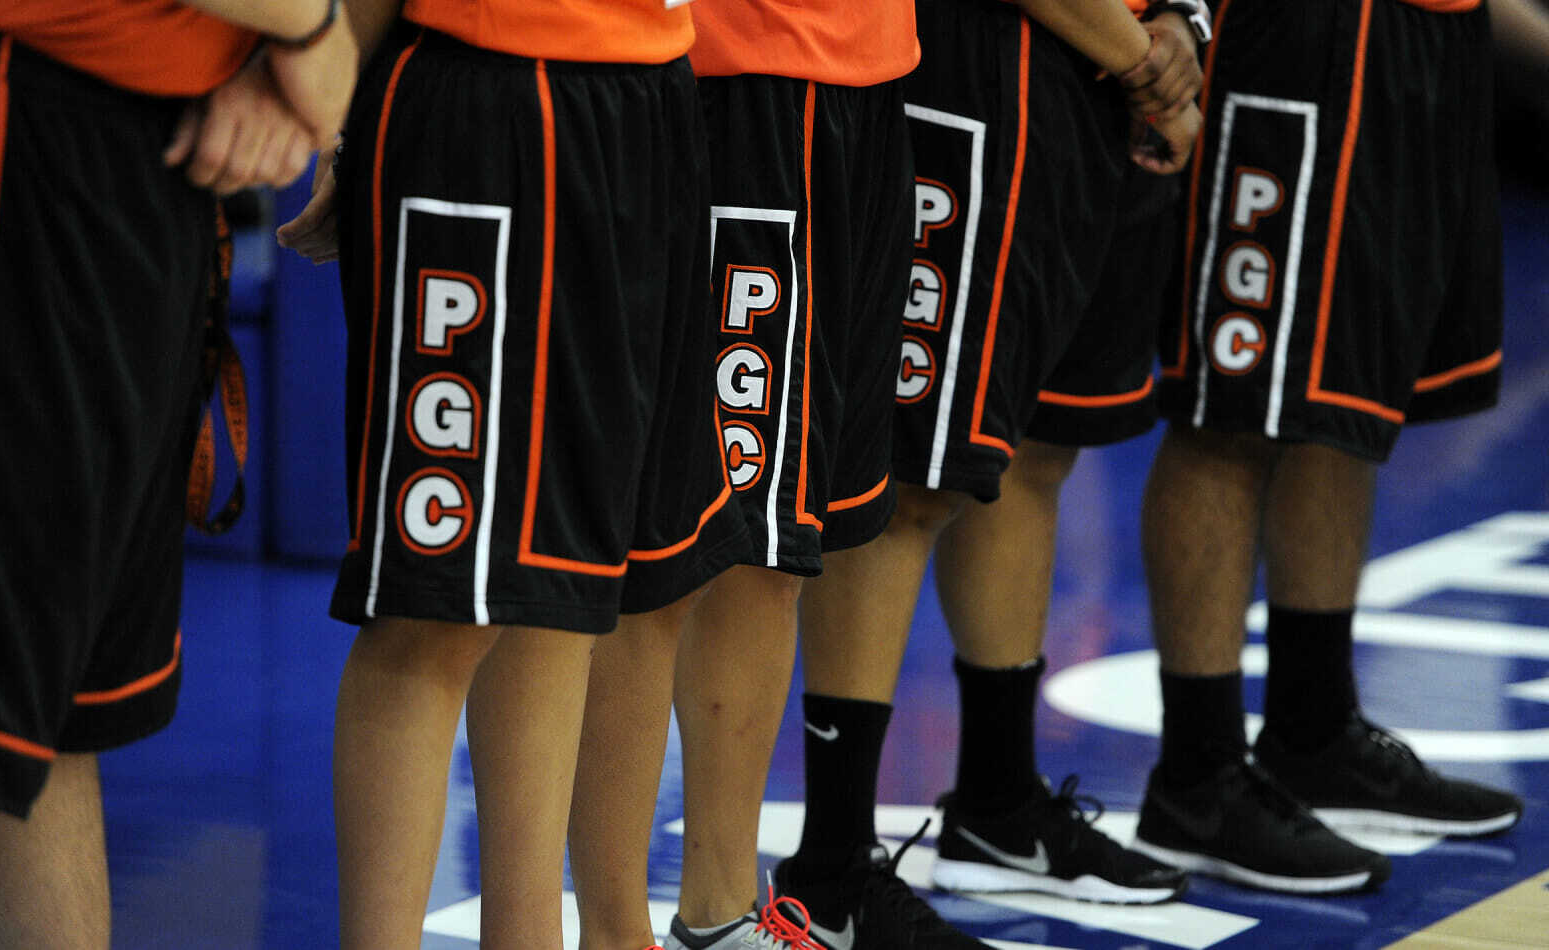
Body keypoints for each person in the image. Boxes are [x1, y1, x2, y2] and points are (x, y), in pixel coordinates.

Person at [278, 0, 746, 947]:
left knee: (568, 573)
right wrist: (335, 112)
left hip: (647, 91)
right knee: (436, 604)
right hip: (487, 89)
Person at [769, 0, 1209, 930]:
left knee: (1037, 446)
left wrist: (1181, 25)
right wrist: (1144, 61)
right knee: (909, 472)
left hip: (1106, 82)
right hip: (991, 62)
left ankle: (1000, 802)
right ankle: (833, 866)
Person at [0, 2, 354, 947]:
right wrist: (310, 28)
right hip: (21, 101)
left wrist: (267, 49)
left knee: (46, 706)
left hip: (145, 134)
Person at [563, 2, 940, 947]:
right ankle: (624, 929)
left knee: (779, 537)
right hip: (744, 79)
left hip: (868, 77)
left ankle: (719, 918)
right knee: (696, 538)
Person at [1132, 0, 1523, 894]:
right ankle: (1198, 776)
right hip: (1298, 36)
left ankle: (1313, 730)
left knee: (1350, 391)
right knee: (1236, 402)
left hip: (1430, 33)